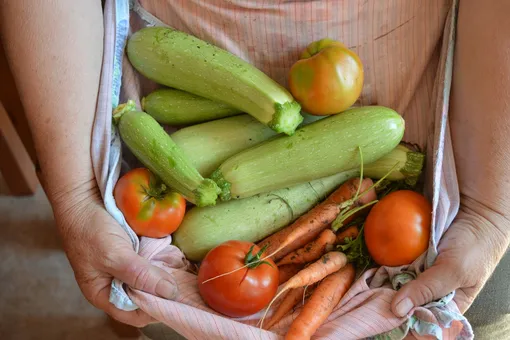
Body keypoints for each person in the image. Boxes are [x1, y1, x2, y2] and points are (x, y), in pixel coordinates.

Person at [0, 0, 508, 339]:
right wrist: (70, 192)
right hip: (187, 90)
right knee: (159, 316)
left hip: (462, 127)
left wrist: (490, 211)